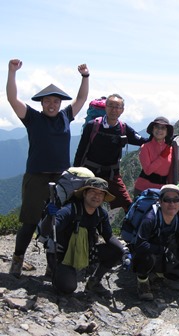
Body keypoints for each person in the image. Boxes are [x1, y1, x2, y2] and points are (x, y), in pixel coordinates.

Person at [6, 58, 89, 278]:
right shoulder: (32, 118)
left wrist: (85, 77)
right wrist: (12, 72)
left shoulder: (66, 117)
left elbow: (81, 98)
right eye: (48, 101)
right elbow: (12, 98)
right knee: (30, 221)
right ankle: (17, 259)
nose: (52, 105)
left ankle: (53, 264)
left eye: (56, 101)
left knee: (58, 222)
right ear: (41, 103)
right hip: (37, 177)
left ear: (60, 104)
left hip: (62, 180)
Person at [47, 177, 131, 296]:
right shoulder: (70, 210)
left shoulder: (100, 214)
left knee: (116, 251)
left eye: (101, 194)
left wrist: (124, 252)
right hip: (63, 254)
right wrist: (50, 217)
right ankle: (56, 271)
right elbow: (52, 230)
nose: (97, 196)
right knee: (68, 287)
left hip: (86, 251)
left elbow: (109, 237)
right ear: (85, 193)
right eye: (93, 192)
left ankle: (94, 282)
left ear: (103, 198)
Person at [74, 93, 148, 212]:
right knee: (84, 205)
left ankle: (129, 229)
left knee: (128, 205)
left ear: (122, 110)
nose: (113, 110)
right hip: (90, 172)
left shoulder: (123, 128)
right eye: (111, 106)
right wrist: (76, 173)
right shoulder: (92, 126)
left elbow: (143, 141)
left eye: (117, 107)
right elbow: (81, 151)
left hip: (112, 174)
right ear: (106, 107)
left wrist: (168, 137)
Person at [132, 184, 179, 300]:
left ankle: (156, 274)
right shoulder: (150, 219)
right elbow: (140, 245)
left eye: (176, 200)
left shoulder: (178, 217)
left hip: (165, 255)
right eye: (167, 200)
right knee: (146, 257)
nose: (172, 204)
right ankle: (142, 281)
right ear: (160, 201)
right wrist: (162, 250)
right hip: (148, 254)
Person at [133, 116, 174, 196]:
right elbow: (148, 171)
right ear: (152, 129)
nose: (159, 130)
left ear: (167, 132)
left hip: (162, 190)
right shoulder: (145, 147)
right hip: (143, 190)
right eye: (157, 127)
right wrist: (162, 157)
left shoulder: (170, 149)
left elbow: (171, 171)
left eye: (163, 128)